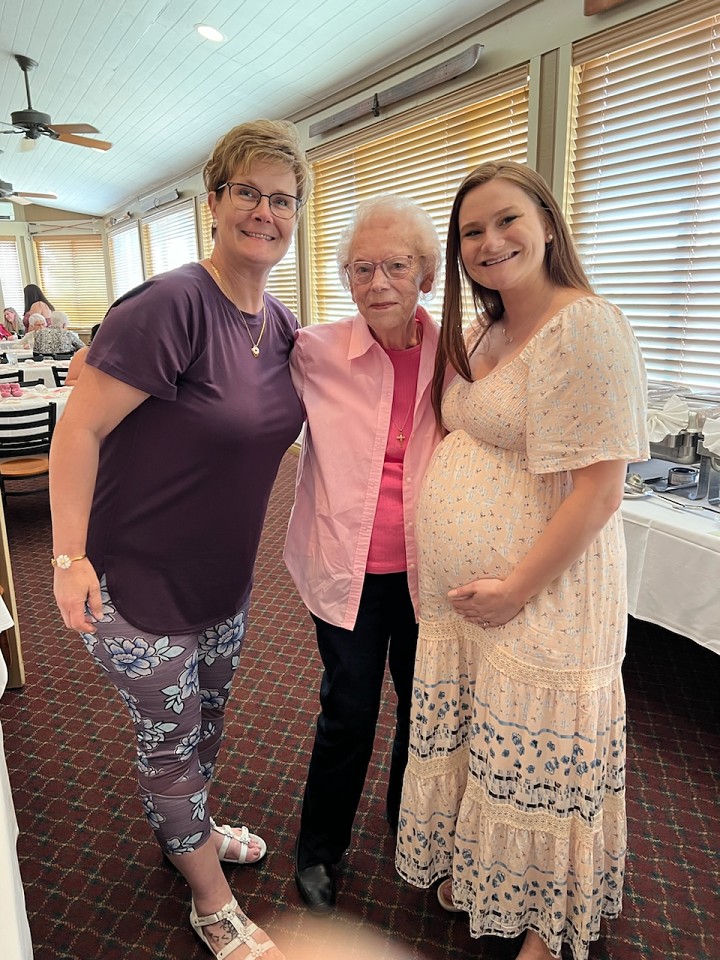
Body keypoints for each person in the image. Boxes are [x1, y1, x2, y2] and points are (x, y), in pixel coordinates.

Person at [49, 118, 313, 960]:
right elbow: (78, 428)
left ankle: (187, 831)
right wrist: (67, 557)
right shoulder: (171, 305)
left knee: (207, 726)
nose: (264, 212)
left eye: (282, 199)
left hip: (222, 583)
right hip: (135, 585)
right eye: (248, 193)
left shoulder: (283, 325)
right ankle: (210, 900)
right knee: (169, 742)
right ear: (214, 202)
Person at [395, 161, 648, 960]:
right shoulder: (485, 328)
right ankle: (488, 875)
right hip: (477, 601)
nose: (490, 241)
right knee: (491, 741)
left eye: (507, 220)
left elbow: (600, 492)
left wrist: (514, 589)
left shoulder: (587, 325)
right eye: (471, 231)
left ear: (546, 222)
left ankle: (547, 920)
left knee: (542, 751)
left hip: (547, 595)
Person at [284, 195, 444, 914]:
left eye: (396, 266)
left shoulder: (460, 354)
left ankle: (409, 825)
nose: (377, 282)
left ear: (426, 275)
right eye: (360, 268)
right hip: (344, 570)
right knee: (347, 712)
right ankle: (320, 849)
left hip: (430, 574)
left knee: (423, 708)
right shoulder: (314, 351)